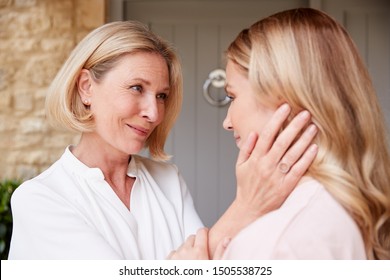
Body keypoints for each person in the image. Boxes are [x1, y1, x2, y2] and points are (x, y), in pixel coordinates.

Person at [8, 21, 317, 260]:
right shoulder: (40, 200)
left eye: (162, 95)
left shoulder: (167, 179)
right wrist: (248, 205)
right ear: (87, 87)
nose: (154, 113)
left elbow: (212, 266)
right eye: (136, 88)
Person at [216, 8, 390, 259]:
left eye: (232, 96)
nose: (227, 123)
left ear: (285, 101)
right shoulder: (347, 209)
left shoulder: (275, 243)